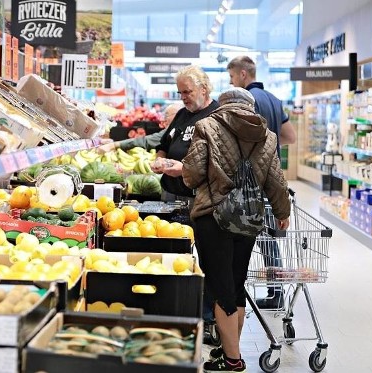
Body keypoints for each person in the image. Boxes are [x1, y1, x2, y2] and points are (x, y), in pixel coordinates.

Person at [182, 87, 291, 372]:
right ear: (250, 107)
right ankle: (228, 349)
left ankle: (233, 360)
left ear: (223, 103)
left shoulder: (206, 126)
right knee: (236, 284)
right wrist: (282, 213)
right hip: (249, 218)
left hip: (212, 218)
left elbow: (192, 175)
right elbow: (276, 182)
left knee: (221, 290)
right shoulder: (267, 136)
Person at [227, 55, 296, 308]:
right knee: (269, 238)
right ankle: (275, 292)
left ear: (243, 74)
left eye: (232, 76)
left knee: (240, 238)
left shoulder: (243, 101)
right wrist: (271, 144)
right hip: (271, 179)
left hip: (246, 182)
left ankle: (234, 294)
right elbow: (290, 136)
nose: (232, 81)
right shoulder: (276, 101)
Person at [151, 65, 219, 205]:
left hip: (199, 199)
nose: (183, 97)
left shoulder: (217, 116)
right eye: (180, 93)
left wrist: (184, 170)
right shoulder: (182, 114)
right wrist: (160, 160)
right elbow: (163, 146)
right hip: (170, 194)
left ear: (203, 89)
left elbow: (221, 162)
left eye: (187, 92)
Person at [98, 102, 184, 152]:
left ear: (177, 115)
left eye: (167, 115)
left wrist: (114, 145)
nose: (164, 119)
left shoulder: (175, 129)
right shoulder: (176, 128)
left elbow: (147, 141)